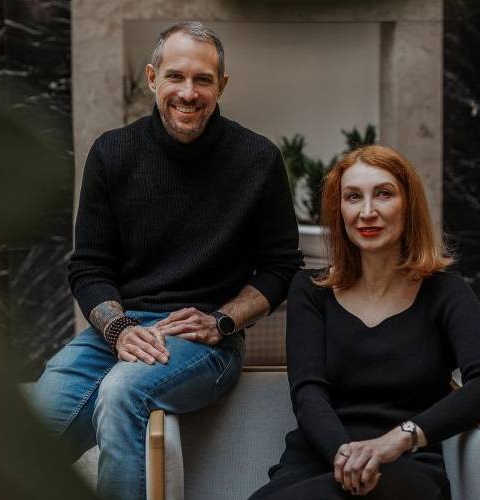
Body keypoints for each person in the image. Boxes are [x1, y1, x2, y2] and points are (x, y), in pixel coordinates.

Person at [30, 21, 303, 500]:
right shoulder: (112, 153)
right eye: (176, 76)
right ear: (153, 78)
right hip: (120, 329)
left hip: (205, 339)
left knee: (122, 393)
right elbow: (89, 267)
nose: (188, 92)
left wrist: (222, 321)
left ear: (221, 86)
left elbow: (281, 266)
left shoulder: (257, 158)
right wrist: (119, 330)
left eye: (203, 79)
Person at [249, 145, 480, 499]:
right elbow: (308, 393)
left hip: (406, 464)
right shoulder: (310, 290)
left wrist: (397, 440)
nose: (367, 212)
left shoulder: (445, 290)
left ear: (409, 205)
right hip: (321, 456)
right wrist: (346, 456)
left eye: (384, 194)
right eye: (353, 197)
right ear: (339, 210)